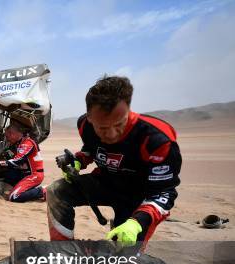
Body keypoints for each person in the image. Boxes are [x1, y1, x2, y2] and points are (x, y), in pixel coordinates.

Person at [47, 75, 181, 248]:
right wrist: (78, 161)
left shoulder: (157, 139)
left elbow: (164, 193)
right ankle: (61, 252)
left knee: (124, 258)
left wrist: (137, 222)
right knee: (56, 191)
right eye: (102, 128)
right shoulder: (85, 126)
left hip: (139, 196)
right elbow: (91, 148)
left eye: (119, 125)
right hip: (106, 183)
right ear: (89, 117)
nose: (111, 134)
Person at [0, 124, 45, 202]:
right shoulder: (18, 144)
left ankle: (44, 191)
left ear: (13, 134)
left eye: (7, 137)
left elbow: (17, 161)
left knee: (14, 196)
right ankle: (27, 188)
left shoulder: (27, 143)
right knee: (4, 175)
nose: (7, 139)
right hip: (24, 174)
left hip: (34, 175)